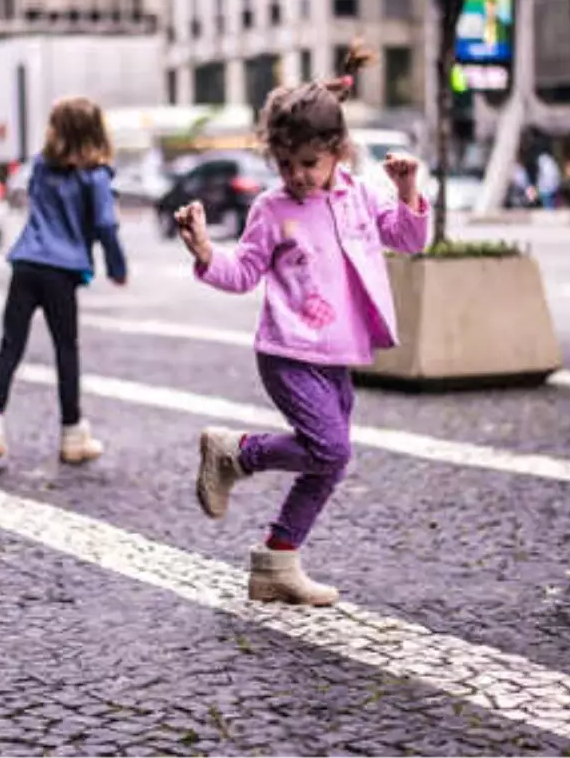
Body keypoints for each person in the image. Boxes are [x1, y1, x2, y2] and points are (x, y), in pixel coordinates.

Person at [172, 44, 429, 607]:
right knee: (331, 450)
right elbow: (243, 274)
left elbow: (409, 239)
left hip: (338, 355)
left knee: (326, 463)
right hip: (288, 352)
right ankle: (237, 452)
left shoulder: (359, 197)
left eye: (309, 164)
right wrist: (204, 251)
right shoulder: (272, 208)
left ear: (337, 152)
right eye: (285, 165)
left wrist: (407, 194)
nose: (297, 176)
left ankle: (277, 562)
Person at [0, 96, 128, 471]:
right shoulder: (96, 176)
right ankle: (72, 434)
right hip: (61, 270)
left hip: (26, 262)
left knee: (10, 345)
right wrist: (116, 265)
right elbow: (106, 225)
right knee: (66, 350)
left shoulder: (42, 168)